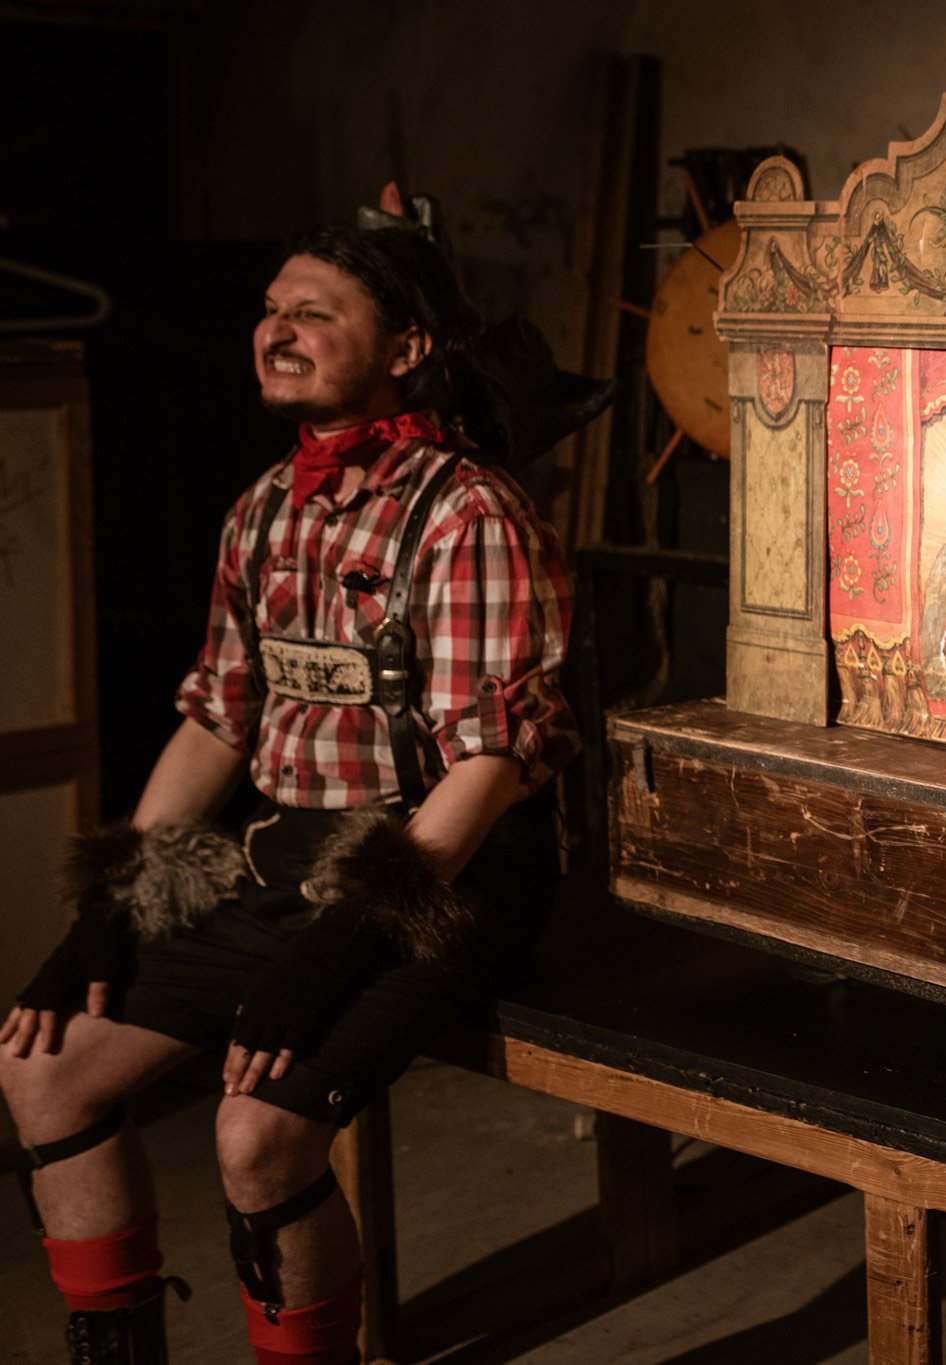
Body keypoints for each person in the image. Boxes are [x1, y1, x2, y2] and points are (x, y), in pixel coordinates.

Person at [0, 219, 575, 1365]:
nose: (277, 330)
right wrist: (112, 901)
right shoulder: (264, 507)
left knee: (254, 1138)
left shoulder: (466, 513)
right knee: (41, 1068)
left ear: (406, 348)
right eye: (271, 309)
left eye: (315, 313)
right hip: (283, 860)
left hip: (442, 875)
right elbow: (219, 719)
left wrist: (339, 946)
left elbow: (489, 765)